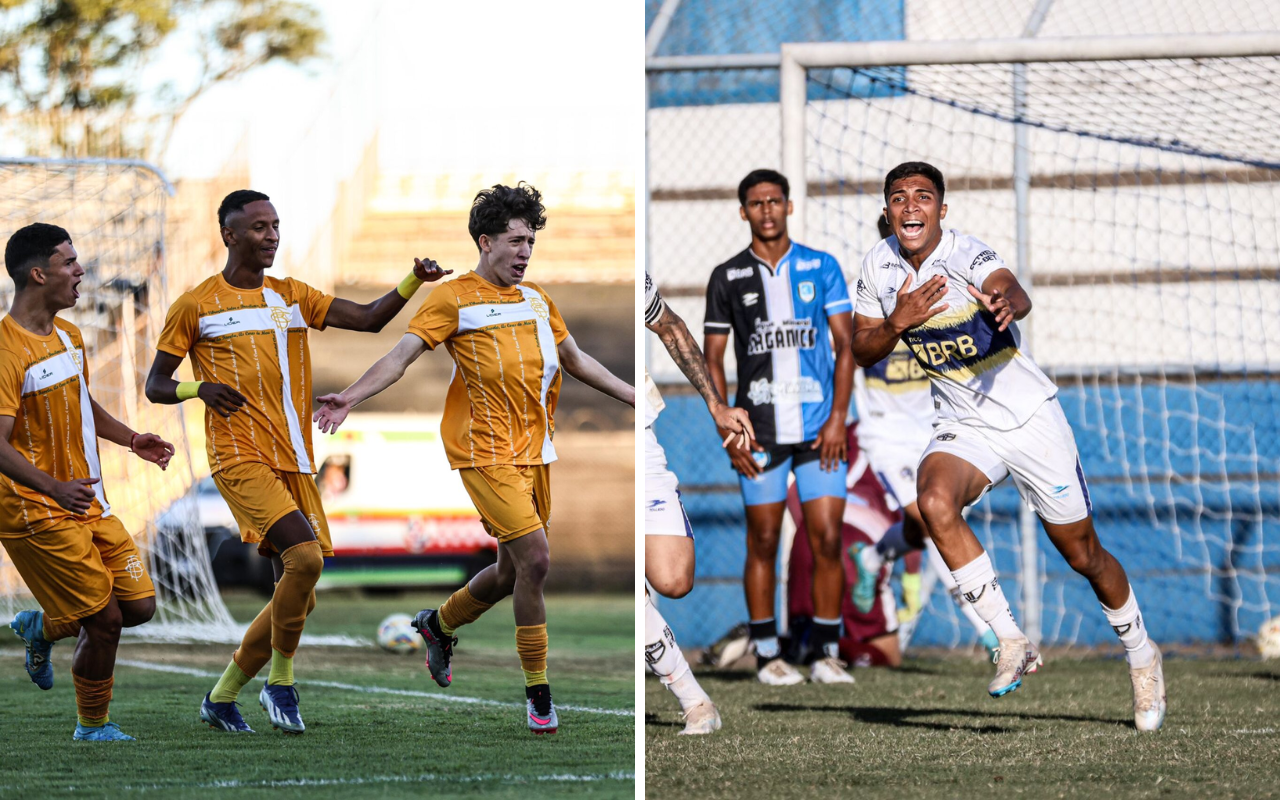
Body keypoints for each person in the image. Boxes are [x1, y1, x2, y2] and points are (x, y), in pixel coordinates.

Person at [852, 161, 1166, 731]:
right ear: (888, 212)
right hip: (963, 424)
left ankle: (1143, 655)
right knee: (934, 502)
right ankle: (1011, 638)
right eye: (899, 198)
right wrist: (899, 319)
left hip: (1028, 418)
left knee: (1083, 555)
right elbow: (862, 348)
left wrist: (1006, 305)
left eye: (923, 197)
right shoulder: (877, 266)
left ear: (941, 211)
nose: (911, 207)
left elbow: (1010, 288)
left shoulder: (966, 253)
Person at [313, 183, 635, 735]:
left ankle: (438, 626)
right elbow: (401, 356)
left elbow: (575, 360)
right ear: (485, 242)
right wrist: (349, 396)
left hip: (536, 451)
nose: (525, 252)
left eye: (530, 241)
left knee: (511, 574)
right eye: (515, 241)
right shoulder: (452, 298)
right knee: (536, 560)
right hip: (483, 452)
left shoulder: (538, 300)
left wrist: (635, 396)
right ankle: (538, 695)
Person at [145, 190, 449, 734]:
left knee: (299, 598)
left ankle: (222, 696)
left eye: (276, 225)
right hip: (239, 455)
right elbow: (156, 385)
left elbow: (368, 318)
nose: (272, 235)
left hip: (295, 457)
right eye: (259, 227)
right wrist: (200, 388)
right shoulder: (195, 305)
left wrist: (412, 281)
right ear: (230, 235)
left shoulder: (291, 295)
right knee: (305, 562)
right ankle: (281, 684)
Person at [2, 223, 174, 741]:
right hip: (34, 510)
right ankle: (92, 726)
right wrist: (52, 487)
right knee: (105, 620)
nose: (81, 272)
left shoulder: (70, 335)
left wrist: (130, 438)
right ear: (39, 273)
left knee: (138, 606)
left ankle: (44, 625)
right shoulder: (5, 351)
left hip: (85, 501)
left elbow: (82, 404)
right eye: (70, 263)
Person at [703, 169, 855, 685]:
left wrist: (838, 418)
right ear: (742, 211)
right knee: (764, 539)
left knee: (827, 538)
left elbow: (847, 346)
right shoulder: (727, 277)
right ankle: (769, 655)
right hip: (759, 431)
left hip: (818, 431)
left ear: (789, 206)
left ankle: (827, 652)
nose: (766, 210)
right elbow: (712, 356)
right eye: (755, 203)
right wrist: (728, 427)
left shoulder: (822, 266)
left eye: (774, 201)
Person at [644, 269, 753, 734]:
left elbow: (669, 325)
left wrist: (715, 404)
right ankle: (696, 702)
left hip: (641, 440)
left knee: (673, 579)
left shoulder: (633, 276)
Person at [785, 422, 903, 667]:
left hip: (811, 532)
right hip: (862, 543)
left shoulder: (841, 432)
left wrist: (807, 531)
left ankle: (768, 640)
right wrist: (913, 575)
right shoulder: (910, 439)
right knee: (887, 654)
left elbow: (795, 490)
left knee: (803, 635)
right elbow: (918, 524)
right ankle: (838, 651)